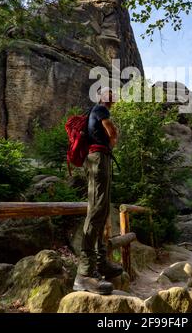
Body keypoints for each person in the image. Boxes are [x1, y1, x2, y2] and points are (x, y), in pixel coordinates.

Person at [73, 87, 122, 295]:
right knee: (96, 212)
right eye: (109, 93)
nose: (113, 96)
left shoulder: (97, 110)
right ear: (102, 97)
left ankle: (101, 264)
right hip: (98, 159)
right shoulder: (101, 109)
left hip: (100, 159)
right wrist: (112, 143)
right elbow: (112, 131)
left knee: (101, 212)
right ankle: (84, 275)